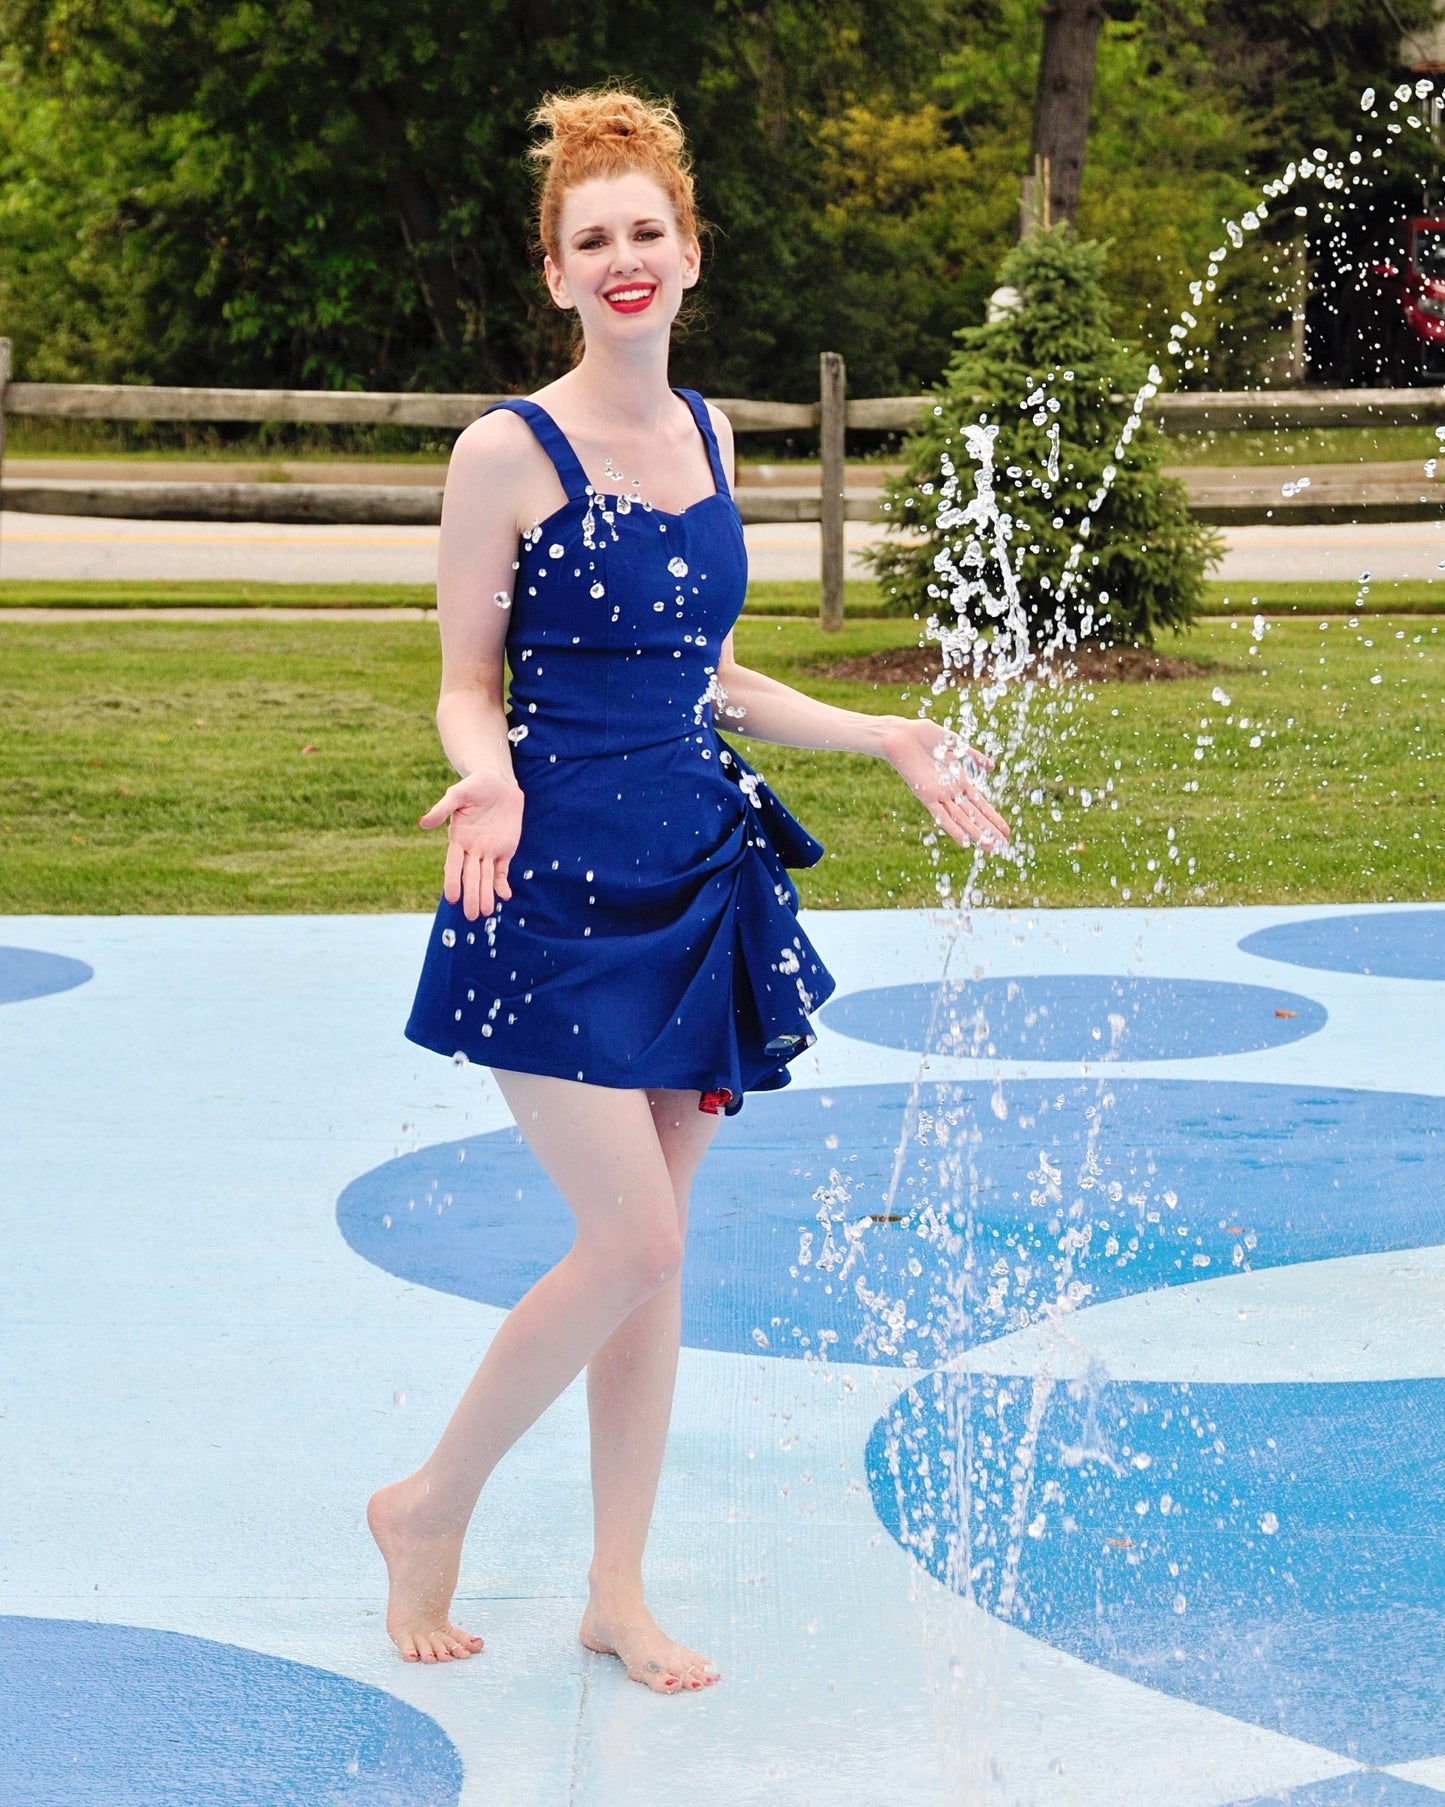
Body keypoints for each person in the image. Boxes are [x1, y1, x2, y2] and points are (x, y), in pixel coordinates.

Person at [367, 86, 1009, 1696]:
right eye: (594, 240)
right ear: (558, 275)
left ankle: (614, 1588)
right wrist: (492, 770)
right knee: (632, 1241)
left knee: (653, 1255)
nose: (624, 257)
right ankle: (427, 1503)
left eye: (646, 231)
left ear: (689, 253)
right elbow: (459, 683)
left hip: (695, 873)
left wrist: (882, 734)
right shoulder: (502, 452)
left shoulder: (711, 434)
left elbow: (707, 677)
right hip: (545, 876)